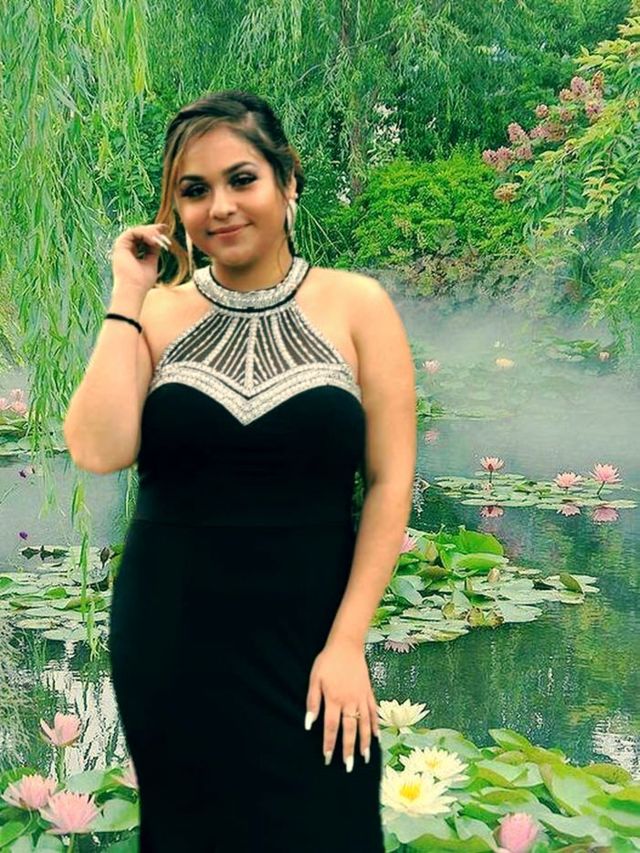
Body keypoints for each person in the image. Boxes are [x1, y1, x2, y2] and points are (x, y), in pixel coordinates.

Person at [69, 89, 416, 851]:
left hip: (313, 637)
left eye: (242, 179)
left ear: (287, 180)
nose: (220, 206)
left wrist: (348, 641)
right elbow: (97, 448)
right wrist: (127, 292)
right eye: (195, 190)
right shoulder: (157, 312)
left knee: (331, 827)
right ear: (176, 209)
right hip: (173, 637)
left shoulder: (358, 305)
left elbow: (391, 482)